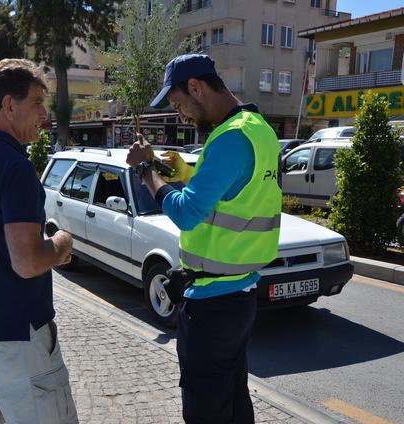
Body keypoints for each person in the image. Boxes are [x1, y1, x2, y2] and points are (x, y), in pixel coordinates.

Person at [126, 54, 281, 423]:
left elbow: (186, 212)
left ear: (196, 87)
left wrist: (147, 170)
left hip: (214, 307)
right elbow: (234, 191)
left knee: (205, 407)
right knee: (233, 397)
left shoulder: (229, 138)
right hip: (238, 293)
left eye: (179, 103)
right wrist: (186, 171)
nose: (181, 115)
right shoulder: (257, 127)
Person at [0, 58, 78, 424]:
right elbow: (26, 263)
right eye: (37, 102)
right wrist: (61, 243)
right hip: (15, 338)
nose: (44, 113)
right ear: (9, 105)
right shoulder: (15, 166)